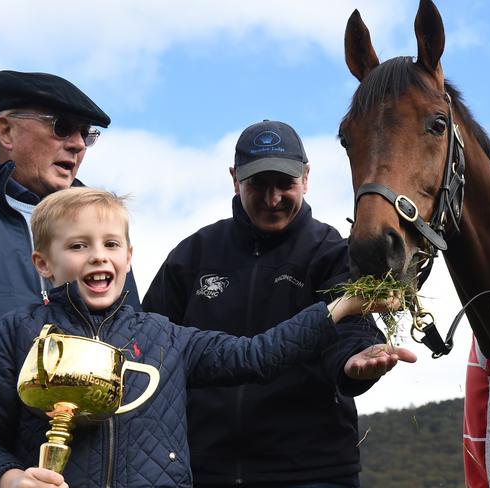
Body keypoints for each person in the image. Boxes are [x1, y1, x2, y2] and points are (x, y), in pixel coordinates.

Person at [0, 187, 415, 488]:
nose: (99, 255)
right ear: (43, 263)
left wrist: (340, 307)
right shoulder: (17, 334)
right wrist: (9, 477)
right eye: (78, 246)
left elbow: (257, 355)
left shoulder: (166, 338)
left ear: (128, 257)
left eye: (111, 244)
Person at [142, 119, 391, 487]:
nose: (272, 198)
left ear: (306, 178)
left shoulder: (331, 252)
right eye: (258, 183)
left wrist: (354, 362)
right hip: (203, 470)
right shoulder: (193, 254)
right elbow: (149, 343)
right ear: (234, 178)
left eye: (285, 184)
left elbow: (351, 328)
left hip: (312, 472)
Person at [0, 70, 140, 327]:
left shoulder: (102, 222)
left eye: (86, 134)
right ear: (6, 132)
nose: (78, 144)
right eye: (62, 127)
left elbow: (131, 331)